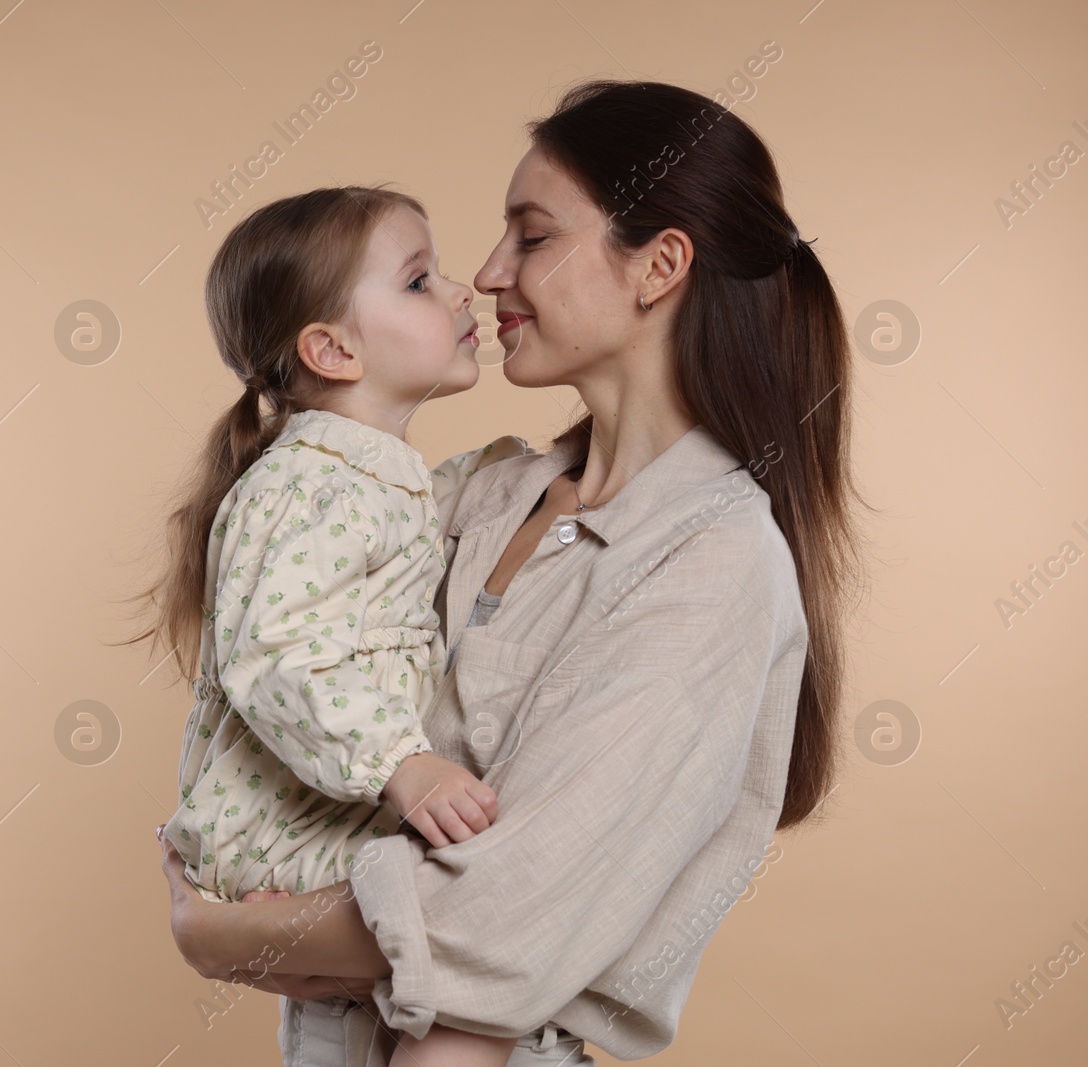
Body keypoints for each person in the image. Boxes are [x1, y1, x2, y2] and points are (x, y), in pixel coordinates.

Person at [154, 78, 872, 1066]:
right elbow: (296, 638)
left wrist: (224, 934)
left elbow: (499, 920)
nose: (487, 275)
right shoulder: (478, 495)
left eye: (530, 237)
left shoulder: (711, 562)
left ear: (658, 266)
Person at [122, 184, 552, 1066]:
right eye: (419, 280)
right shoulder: (308, 484)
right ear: (332, 347)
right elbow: (281, 658)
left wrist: (536, 466)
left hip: (330, 823)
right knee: (482, 945)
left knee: (446, 989)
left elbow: (405, 532)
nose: (461, 289)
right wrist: (403, 763)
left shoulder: (362, 473)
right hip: (285, 837)